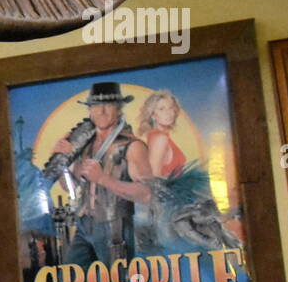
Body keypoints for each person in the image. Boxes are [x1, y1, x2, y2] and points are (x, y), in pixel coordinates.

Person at [52, 82, 154, 266]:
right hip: (85, 224)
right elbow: (70, 187)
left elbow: (147, 193)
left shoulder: (132, 146)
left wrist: (103, 179)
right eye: (95, 106)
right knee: (69, 281)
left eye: (109, 105)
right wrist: (63, 161)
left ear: (119, 110)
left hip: (115, 226)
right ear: (89, 111)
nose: (102, 111)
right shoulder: (85, 146)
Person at [138, 89, 187, 177]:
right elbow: (154, 178)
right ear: (153, 115)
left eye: (171, 108)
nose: (168, 113)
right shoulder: (160, 138)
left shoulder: (157, 136)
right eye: (161, 109)